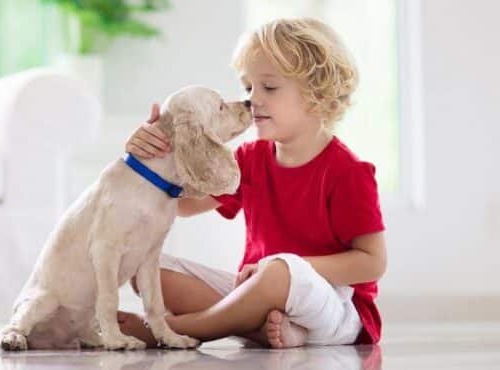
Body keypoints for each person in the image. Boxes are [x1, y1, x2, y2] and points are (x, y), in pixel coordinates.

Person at [119, 17, 387, 349]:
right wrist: (156, 155)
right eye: (248, 87)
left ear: (316, 94)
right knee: (147, 265)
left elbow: (372, 262)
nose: (252, 99)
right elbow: (183, 205)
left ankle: (177, 328)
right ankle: (262, 329)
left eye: (269, 87)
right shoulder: (250, 158)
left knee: (279, 269)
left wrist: (282, 268)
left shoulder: (348, 172)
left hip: (335, 308)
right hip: (261, 289)